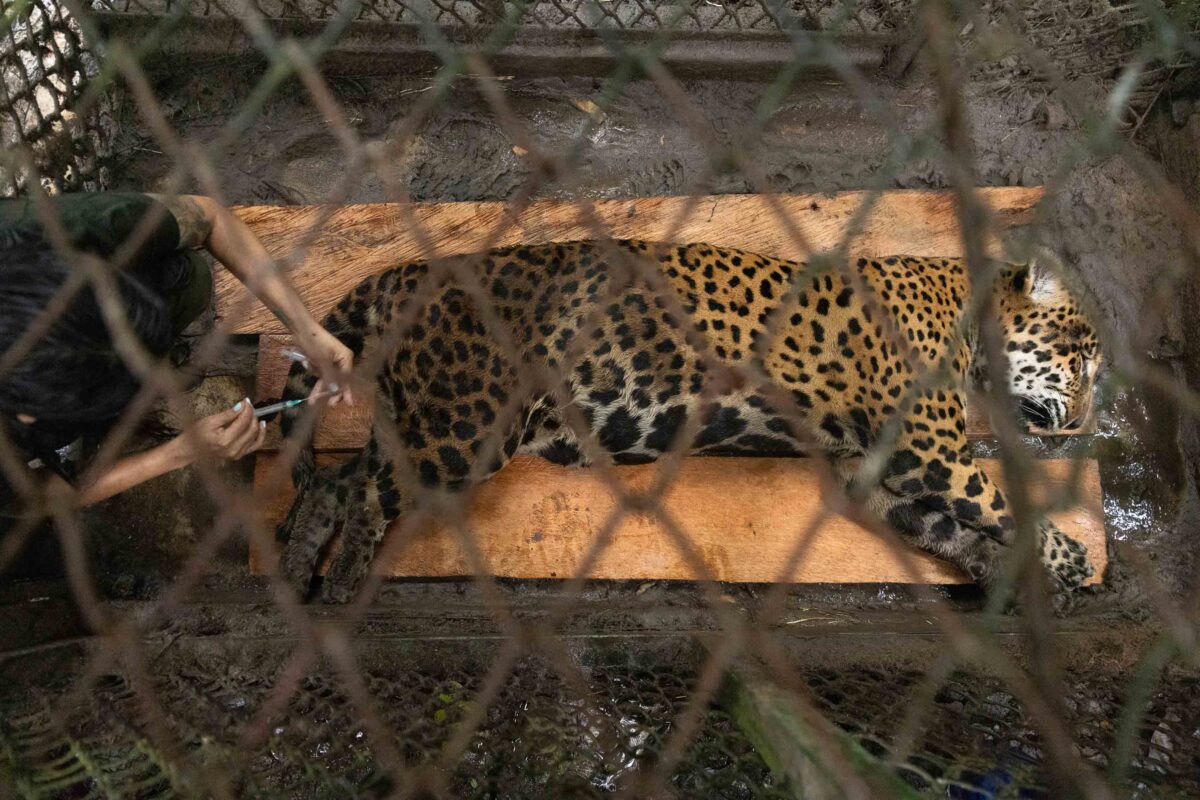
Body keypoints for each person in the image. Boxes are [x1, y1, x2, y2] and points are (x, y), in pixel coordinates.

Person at [0, 191, 353, 512]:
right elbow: (36, 497)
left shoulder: (55, 231)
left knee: (189, 277)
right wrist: (177, 453)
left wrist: (306, 329)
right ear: (28, 413)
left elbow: (211, 218)